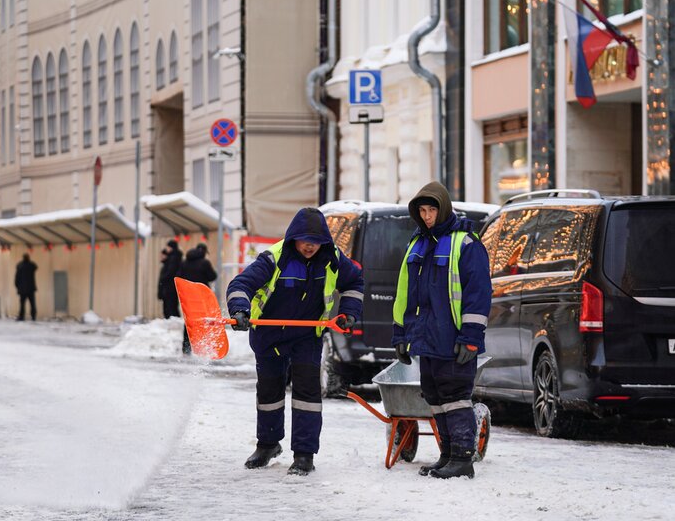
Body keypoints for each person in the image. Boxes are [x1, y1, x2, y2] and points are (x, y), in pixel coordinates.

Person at [226, 207, 363, 476]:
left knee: (307, 394)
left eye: (315, 241)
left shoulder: (332, 258)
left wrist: (349, 313)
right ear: (293, 238)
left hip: (306, 335)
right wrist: (240, 310)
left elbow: (354, 282)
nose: (310, 246)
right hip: (269, 334)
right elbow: (240, 284)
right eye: (304, 240)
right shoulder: (274, 258)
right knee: (269, 392)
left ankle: (304, 454)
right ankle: (268, 444)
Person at [391, 182, 491, 479]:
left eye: (431, 210)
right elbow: (404, 294)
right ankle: (447, 455)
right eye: (422, 211)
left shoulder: (466, 244)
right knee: (434, 396)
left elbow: (478, 294)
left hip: (454, 338)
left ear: (443, 209)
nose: (426, 216)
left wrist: (471, 338)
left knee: (455, 396)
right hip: (426, 338)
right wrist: (401, 335)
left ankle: (462, 458)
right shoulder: (416, 244)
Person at [176, 242, 217, 354]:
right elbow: (212, 276)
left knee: (189, 321)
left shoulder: (184, 263)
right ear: (204, 252)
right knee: (203, 320)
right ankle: (201, 347)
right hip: (201, 296)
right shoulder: (205, 263)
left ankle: (186, 348)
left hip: (188, 296)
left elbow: (178, 276)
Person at [158, 240, 183, 319]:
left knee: (170, 307)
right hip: (171, 286)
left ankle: (172, 321)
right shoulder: (174, 258)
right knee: (170, 307)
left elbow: (170, 272)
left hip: (170, 286)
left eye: (168, 247)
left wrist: (163, 278)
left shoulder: (173, 258)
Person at [15, 253, 38, 321]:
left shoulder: (20, 266)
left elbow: (17, 278)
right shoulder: (31, 265)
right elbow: (35, 267)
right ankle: (33, 316)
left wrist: (17, 286)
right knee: (32, 303)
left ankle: (21, 316)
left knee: (22, 304)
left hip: (22, 289)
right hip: (31, 288)